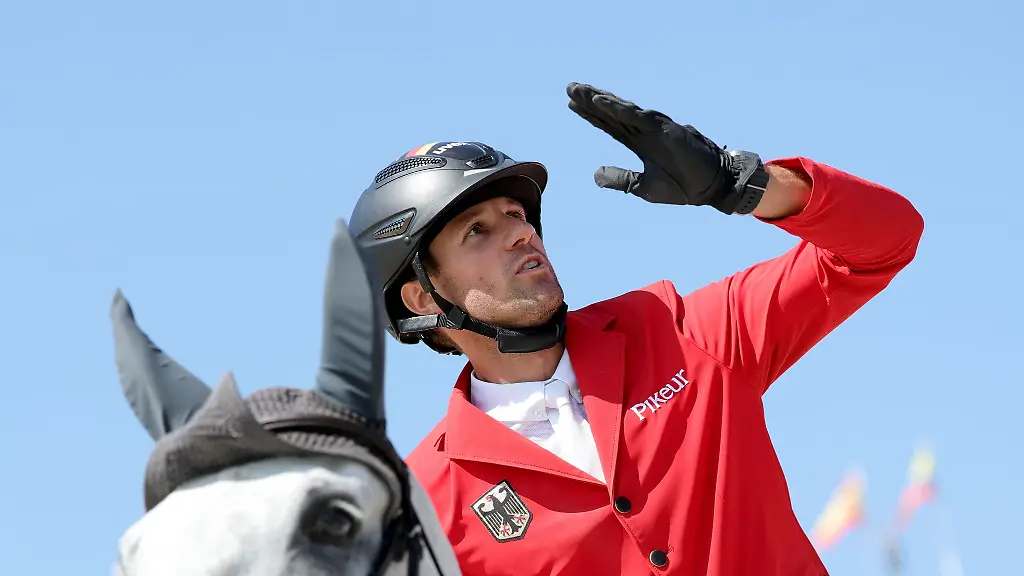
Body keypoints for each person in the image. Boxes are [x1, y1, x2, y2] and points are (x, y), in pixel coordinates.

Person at [347, 82, 924, 576]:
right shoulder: (424, 507)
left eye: (517, 215)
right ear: (422, 296)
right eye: (477, 230)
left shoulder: (682, 333)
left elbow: (884, 242)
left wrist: (741, 185)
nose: (521, 234)